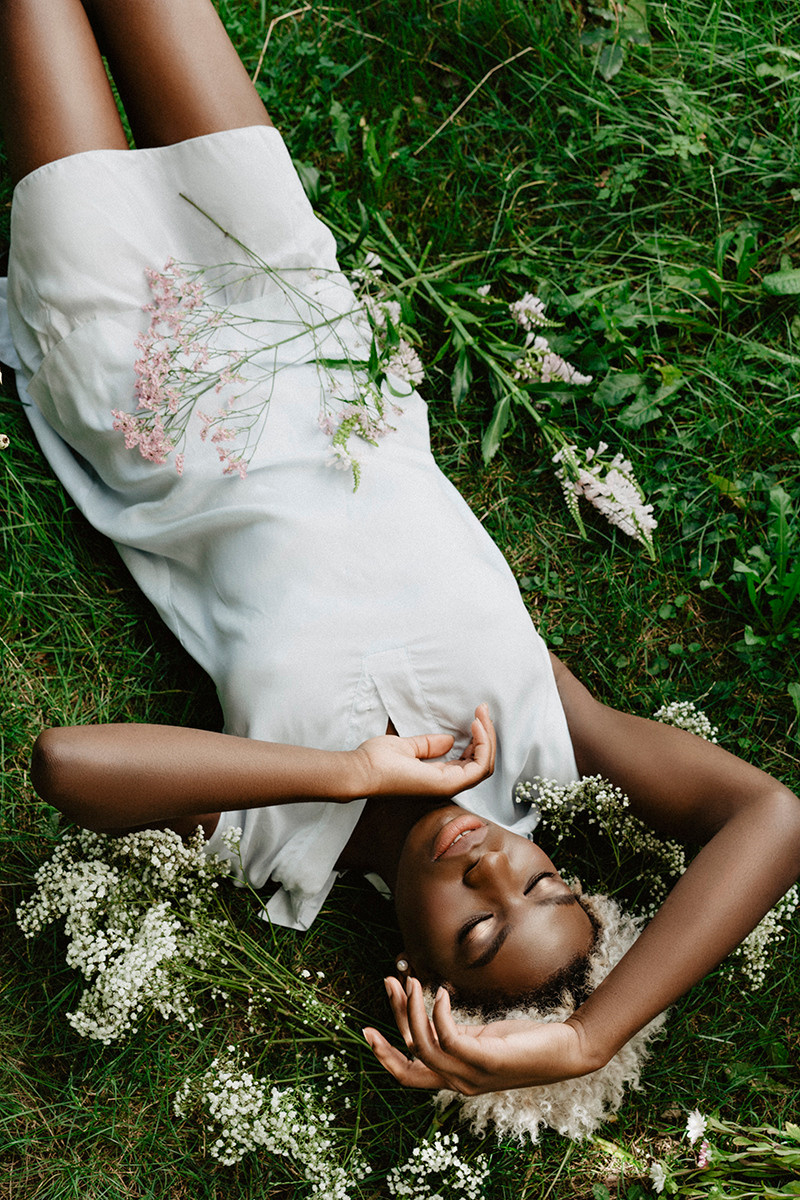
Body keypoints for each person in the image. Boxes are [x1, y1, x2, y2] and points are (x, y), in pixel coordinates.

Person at [1, 0, 799, 1115]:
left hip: (145, 376)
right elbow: (770, 818)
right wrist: (583, 1037)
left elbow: (69, 764)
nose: (490, 863)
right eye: (541, 879)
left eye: (477, 927)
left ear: (416, 974)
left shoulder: (284, 847)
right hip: (299, 313)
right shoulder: (531, 736)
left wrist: (345, 773)